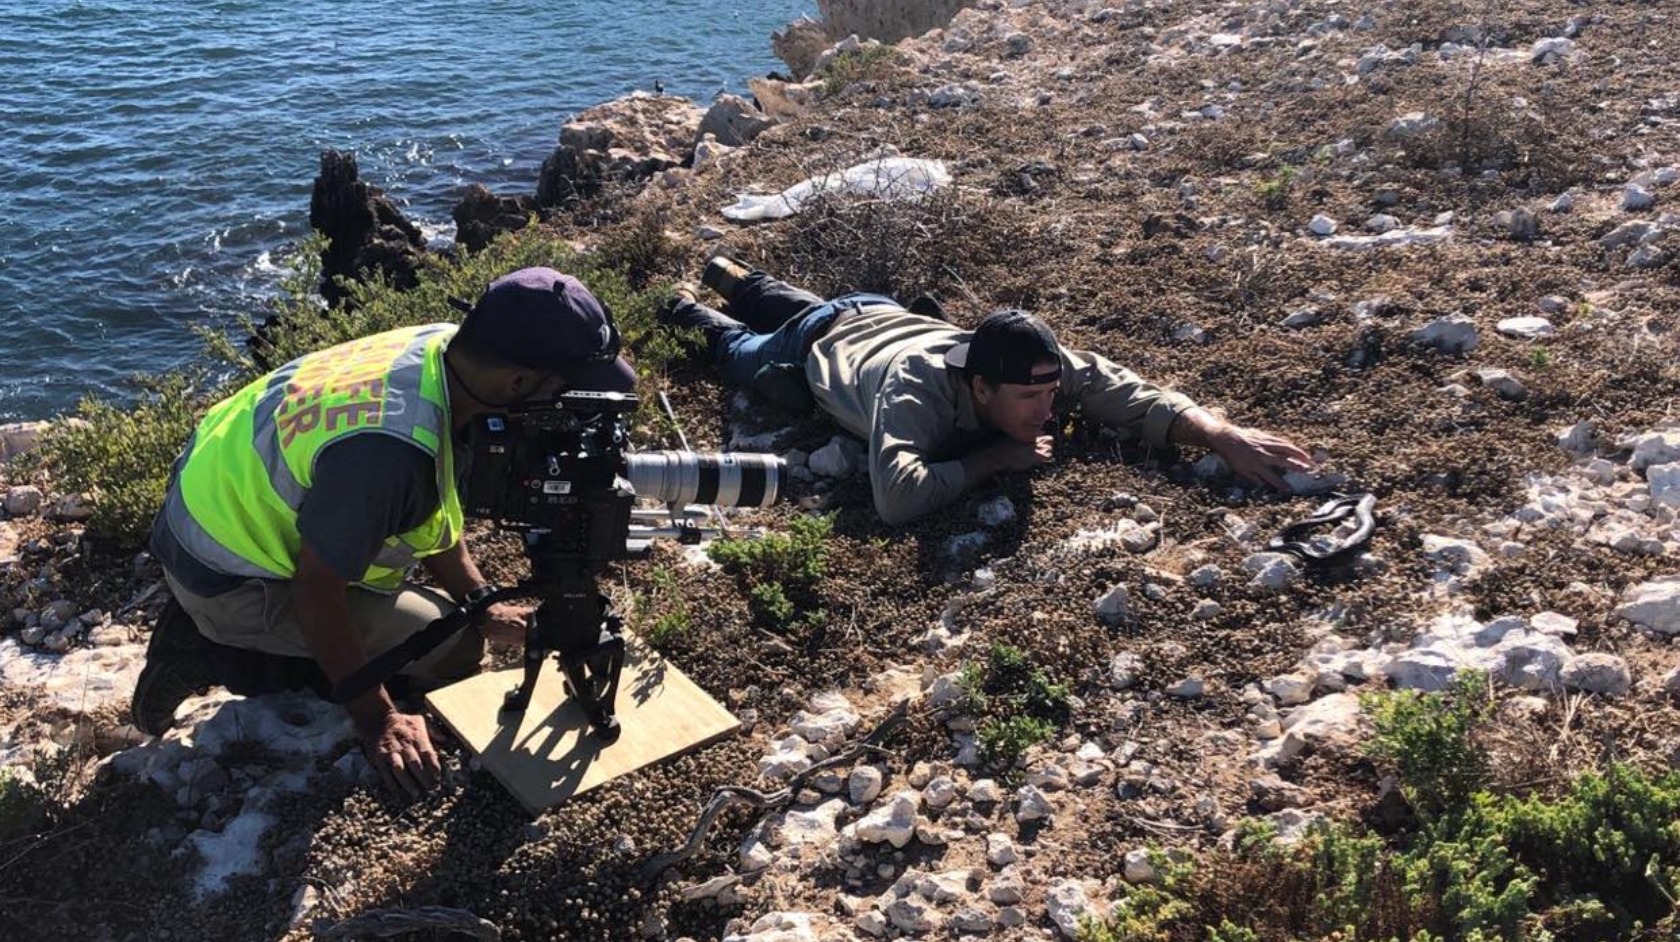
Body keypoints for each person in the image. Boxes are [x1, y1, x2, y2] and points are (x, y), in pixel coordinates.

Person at [132, 267, 636, 796]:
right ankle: (212, 649)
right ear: (516, 383)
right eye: (567, 392)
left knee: (458, 621)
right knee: (453, 648)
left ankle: (237, 629)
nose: (573, 411)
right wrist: (379, 720)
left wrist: (480, 601)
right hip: (221, 573)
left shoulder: (447, 353)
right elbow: (316, 591)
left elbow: (430, 504)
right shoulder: (388, 456)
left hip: (218, 499)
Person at [659, 257, 1312, 525]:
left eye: (1050, 395)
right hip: (815, 346)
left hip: (878, 310)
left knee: (796, 301)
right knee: (737, 352)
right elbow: (896, 498)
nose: (1047, 411)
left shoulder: (1030, 363)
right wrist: (996, 458)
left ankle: (730, 273)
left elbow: (1131, 394)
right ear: (978, 385)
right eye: (1029, 401)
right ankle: (680, 302)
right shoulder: (914, 390)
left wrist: (1220, 435)